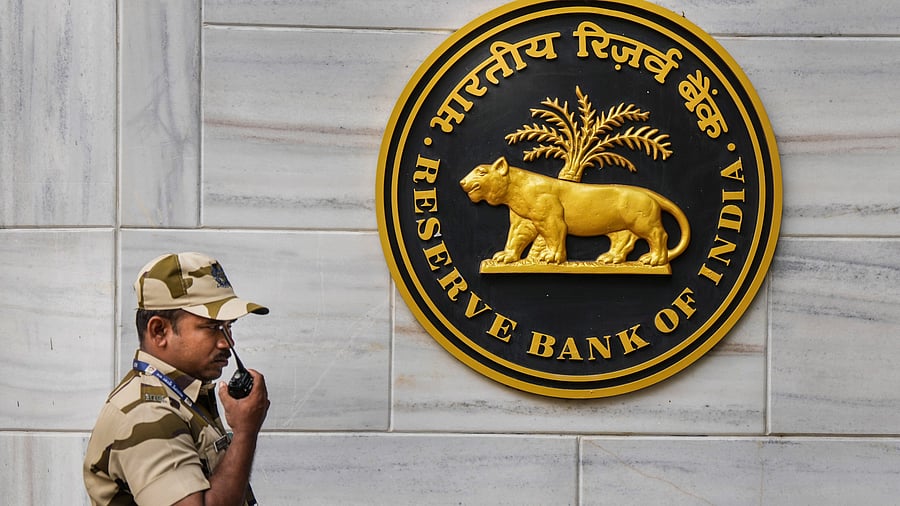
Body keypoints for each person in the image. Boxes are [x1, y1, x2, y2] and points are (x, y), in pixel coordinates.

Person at [84, 252, 270, 505]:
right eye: (213, 327)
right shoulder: (148, 412)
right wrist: (246, 430)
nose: (228, 342)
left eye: (229, 326)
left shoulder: (179, 398)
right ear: (159, 331)